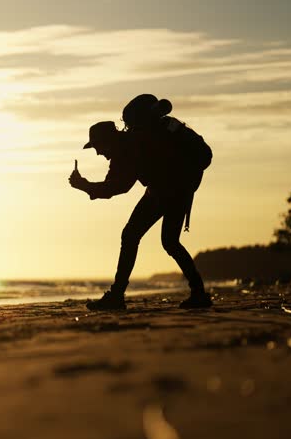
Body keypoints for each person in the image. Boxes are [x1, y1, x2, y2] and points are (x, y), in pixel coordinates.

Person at [69, 94, 212, 310]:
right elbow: (116, 183)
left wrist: (84, 185)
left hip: (165, 190)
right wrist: (87, 186)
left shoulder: (128, 147)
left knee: (132, 236)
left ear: (107, 141)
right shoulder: (131, 143)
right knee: (169, 242)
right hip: (177, 187)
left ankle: (117, 296)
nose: (98, 152)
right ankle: (198, 293)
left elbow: (118, 187)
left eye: (97, 146)